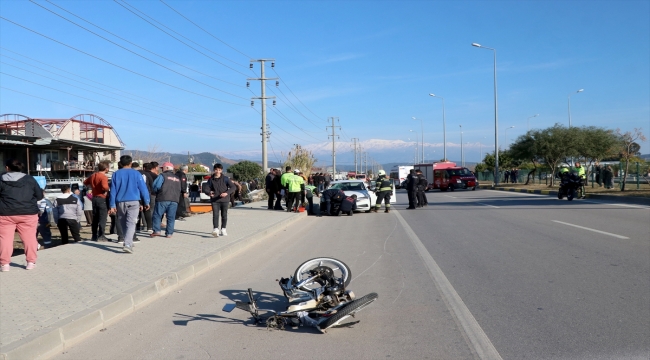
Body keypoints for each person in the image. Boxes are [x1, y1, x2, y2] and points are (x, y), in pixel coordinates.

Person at [0, 159, 43, 271]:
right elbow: (39, 196)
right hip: (28, 213)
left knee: (5, 239)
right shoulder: (29, 179)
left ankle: (5, 264)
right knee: (29, 238)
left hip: (5, 213)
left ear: (7, 168)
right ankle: (31, 262)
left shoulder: (1, 179)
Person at [109, 155, 150, 253]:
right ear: (131, 163)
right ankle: (127, 244)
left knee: (123, 223)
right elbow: (143, 189)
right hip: (134, 201)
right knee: (131, 223)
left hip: (120, 202)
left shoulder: (116, 174)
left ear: (121, 163)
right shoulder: (136, 174)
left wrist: (112, 205)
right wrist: (146, 201)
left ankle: (127, 241)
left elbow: (113, 191)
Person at [151, 162, 181, 238]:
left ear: (167, 168)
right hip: (174, 200)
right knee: (171, 217)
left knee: (157, 215)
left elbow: (156, 186)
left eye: (162, 168)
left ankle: (157, 230)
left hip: (163, 198)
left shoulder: (162, 176)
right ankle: (169, 233)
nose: (162, 169)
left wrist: (155, 192)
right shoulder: (177, 178)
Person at [204, 163, 235, 238]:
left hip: (225, 200)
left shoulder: (226, 179)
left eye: (219, 170)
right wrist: (209, 193)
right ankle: (216, 229)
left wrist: (226, 193)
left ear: (221, 170)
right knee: (215, 215)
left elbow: (233, 187)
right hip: (215, 200)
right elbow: (206, 188)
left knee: (224, 215)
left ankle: (223, 229)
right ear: (214, 170)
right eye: (216, 170)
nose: (217, 171)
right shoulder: (211, 179)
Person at [84, 160, 111, 242]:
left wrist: (92, 187)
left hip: (94, 198)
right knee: (103, 218)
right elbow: (105, 187)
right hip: (102, 197)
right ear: (106, 169)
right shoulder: (103, 177)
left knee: (95, 218)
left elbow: (85, 182)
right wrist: (107, 190)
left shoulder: (93, 175)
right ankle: (101, 235)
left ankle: (94, 235)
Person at [142, 162, 158, 234]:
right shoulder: (155, 175)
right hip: (152, 194)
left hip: (142, 194)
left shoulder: (141, 174)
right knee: (150, 209)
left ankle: (144, 225)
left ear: (144, 168)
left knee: (143, 209)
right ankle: (150, 225)